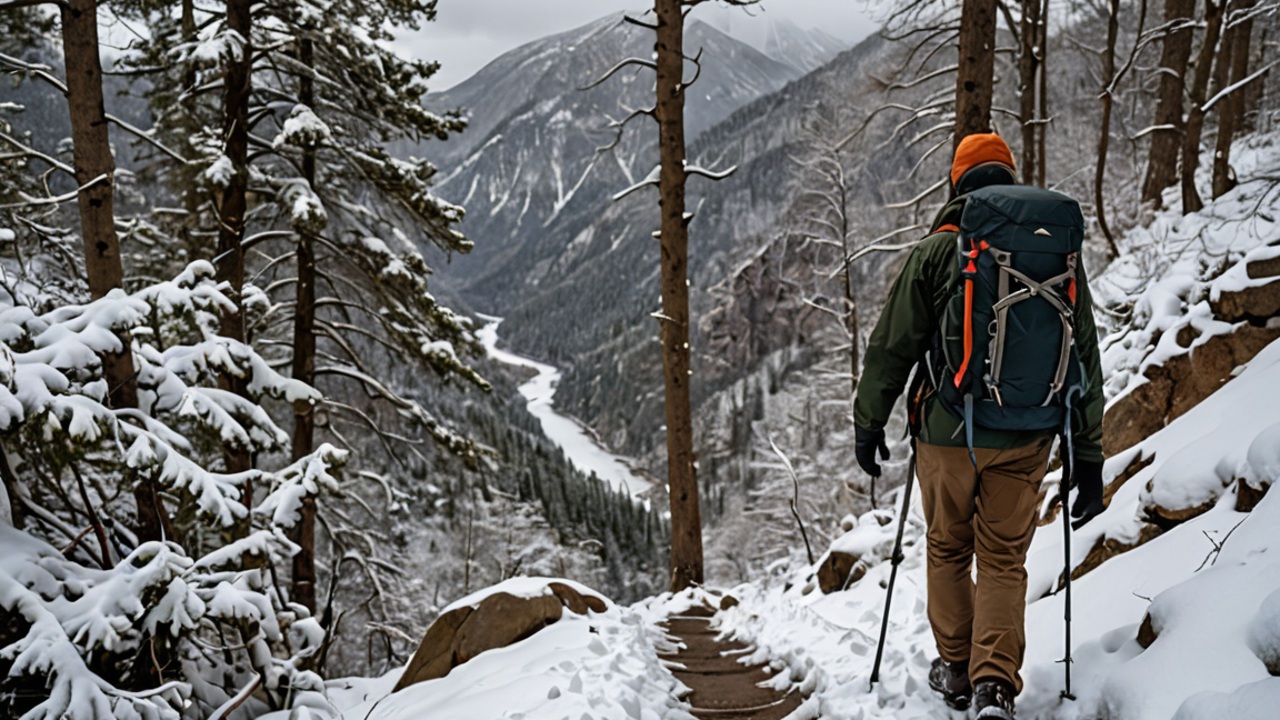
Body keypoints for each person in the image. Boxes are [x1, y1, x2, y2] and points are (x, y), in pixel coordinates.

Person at [852, 133, 1106, 720]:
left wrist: (870, 421)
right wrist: (1088, 454)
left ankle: (957, 668)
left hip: (947, 435)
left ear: (956, 184)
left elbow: (892, 346)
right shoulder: (1056, 254)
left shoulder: (939, 250)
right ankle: (994, 684)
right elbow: (1085, 355)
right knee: (1002, 559)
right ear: (1010, 178)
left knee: (947, 548)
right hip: (1028, 434)